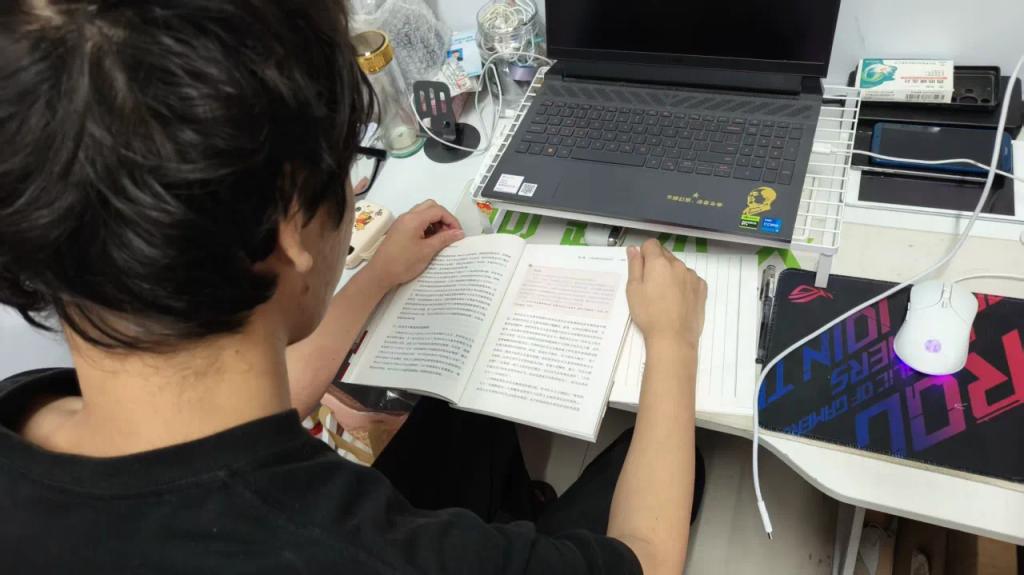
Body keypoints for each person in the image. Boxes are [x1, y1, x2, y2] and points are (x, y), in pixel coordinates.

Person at [0, 1, 707, 573]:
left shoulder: (30, 416)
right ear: (289, 223)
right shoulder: (364, 551)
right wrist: (673, 341)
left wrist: (372, 280)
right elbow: (646, 558)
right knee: (688, 459)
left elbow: (228, 412)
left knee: (458, 414)